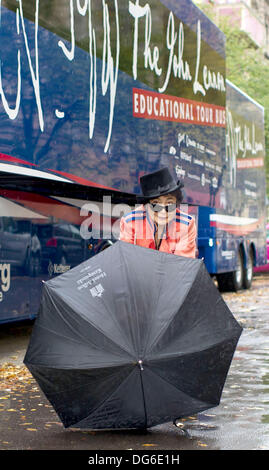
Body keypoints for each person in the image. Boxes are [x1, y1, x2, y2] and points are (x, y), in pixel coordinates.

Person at [120, 167, 197, 258]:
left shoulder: (187, 224)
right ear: (146, 206)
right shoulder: (130, 222)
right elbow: (127, 260)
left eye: (169, 204)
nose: (163, 212)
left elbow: (181, 265)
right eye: (156, 204)